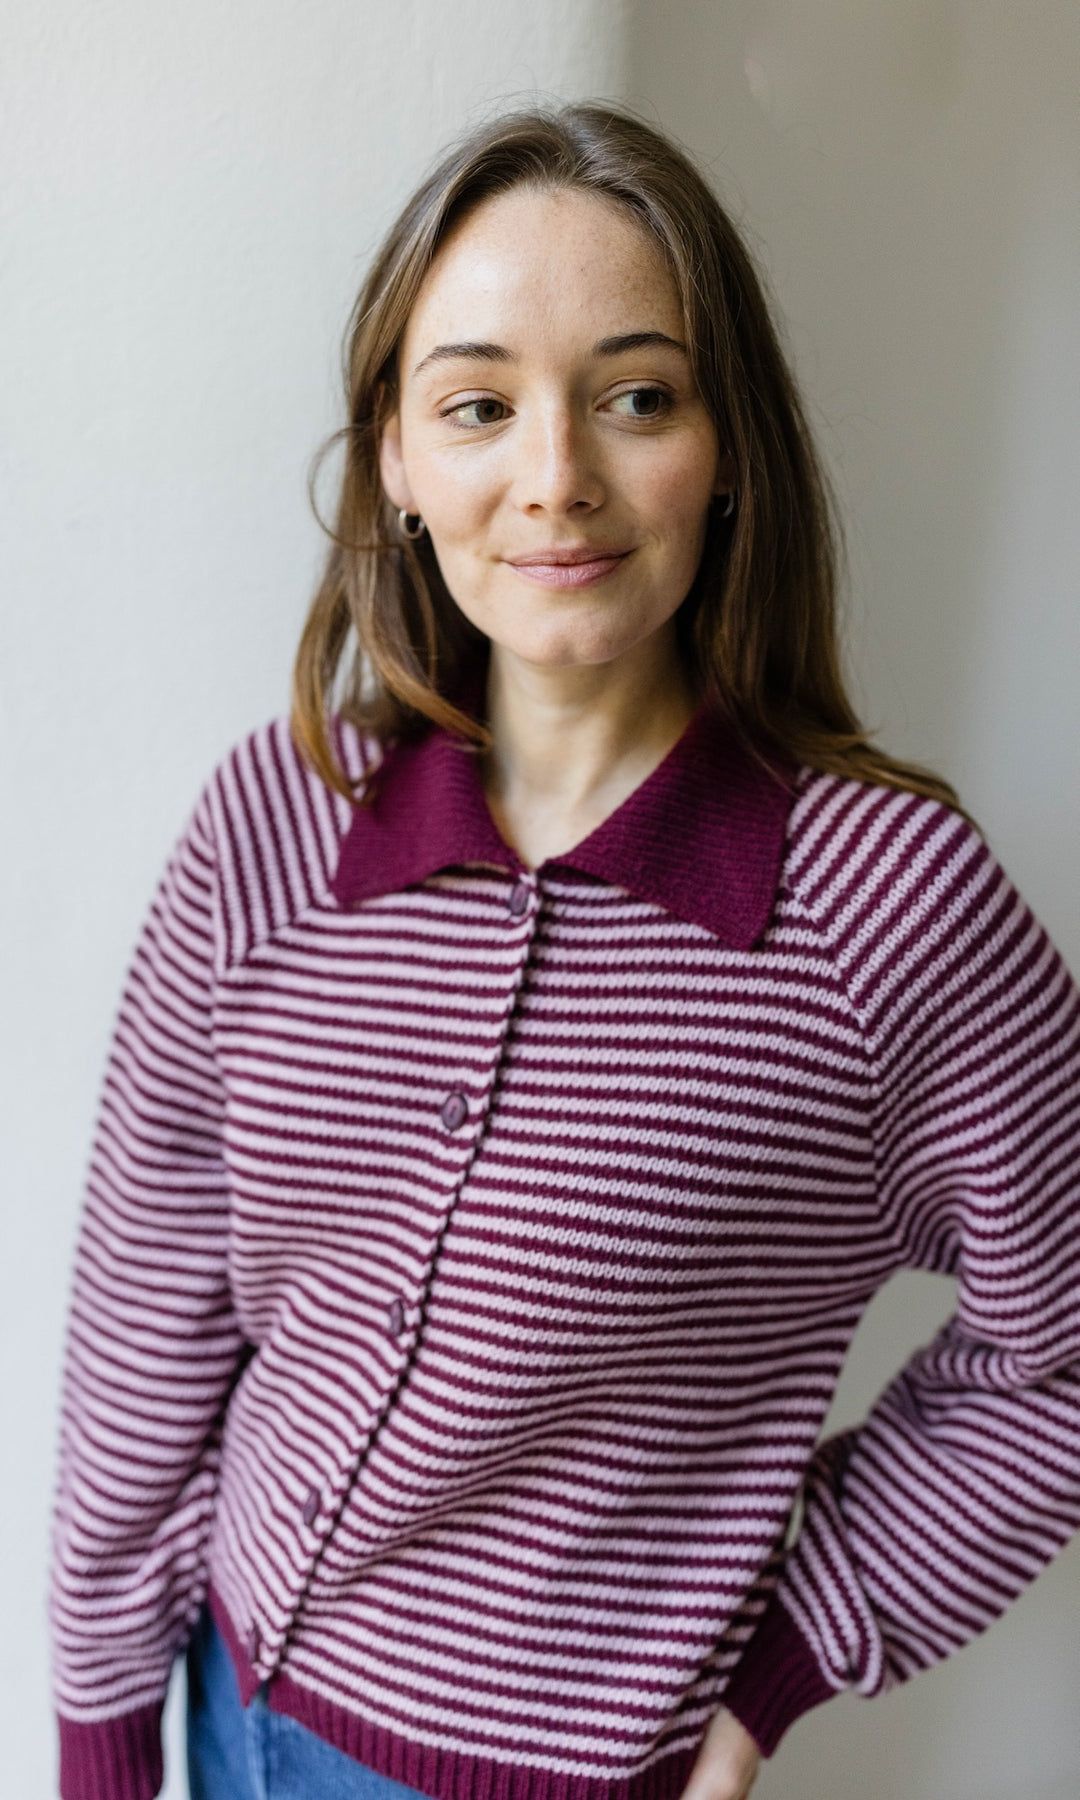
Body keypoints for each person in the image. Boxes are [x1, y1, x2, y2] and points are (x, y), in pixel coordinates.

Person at [50, 103, 1080, 1800]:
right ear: (396, 456)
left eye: (636, 396)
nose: (554, 481)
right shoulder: (278, 820)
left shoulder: (889, 912)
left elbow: (1060, 1352)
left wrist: (780, 1666)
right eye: (477, 406)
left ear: (728, 441)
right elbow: (147, 1317)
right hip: (215, 1710)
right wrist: (101, 1743)